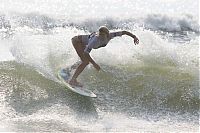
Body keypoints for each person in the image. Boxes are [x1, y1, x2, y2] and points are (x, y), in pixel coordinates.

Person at [69, 26, 139, 87]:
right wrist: (94, 64)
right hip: (77, 41)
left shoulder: (111, 35)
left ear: (107, 35)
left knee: (84, 60)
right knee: (85, 62)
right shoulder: (95, 40)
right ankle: (73, 80)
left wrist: (134, 37)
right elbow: (86, 53)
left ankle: (69, 70)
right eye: (100, 35)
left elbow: (124, 32)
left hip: (82, 42)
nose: (101, 37)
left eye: (103, 35)